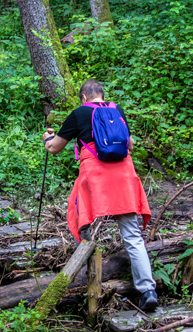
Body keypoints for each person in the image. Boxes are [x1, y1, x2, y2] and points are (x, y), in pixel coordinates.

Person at [43, 80, 158, 312]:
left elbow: (54, 148)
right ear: (102, 95)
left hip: (95, 179)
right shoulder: (117, 110)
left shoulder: (79, 113)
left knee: (82, 222)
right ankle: (148, 290)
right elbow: (131, 145)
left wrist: (47, 138)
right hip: (124, 177)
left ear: (84, 98)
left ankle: (89, 274)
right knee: (132, 235)